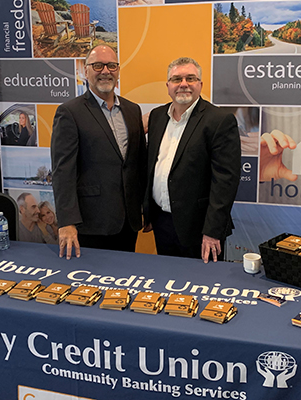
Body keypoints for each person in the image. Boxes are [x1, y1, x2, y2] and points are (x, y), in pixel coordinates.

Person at [51, 45, 147, 259]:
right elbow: (62, 171)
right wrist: (66, 222)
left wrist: (145, 209)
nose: (105, 71)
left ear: (118, 70)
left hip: (128, 222)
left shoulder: (133, 110)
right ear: (86, 71)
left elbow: (139, 164)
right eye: (97, 65)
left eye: (111, 65)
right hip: (91, 223)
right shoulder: (69, 112)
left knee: (125, 281)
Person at [144, 57, 241, 263]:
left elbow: (225, 181)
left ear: (200, 84)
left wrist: (212, 231)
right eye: (177, 79)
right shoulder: (157, 117)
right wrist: (148, 211)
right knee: (167, 284)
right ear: (168, 86)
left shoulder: (219, 120)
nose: (183, 84)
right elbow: (152, 166)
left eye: (190, 78)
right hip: (162, 222)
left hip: (200, 229)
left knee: (203, 288)